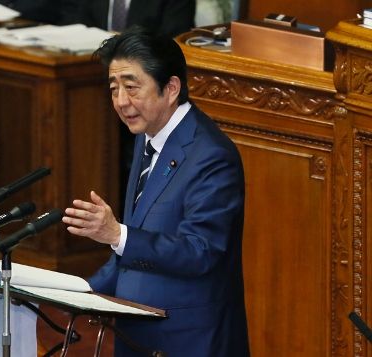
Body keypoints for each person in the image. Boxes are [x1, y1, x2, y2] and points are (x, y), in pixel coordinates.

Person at [62, 26, 250, 356]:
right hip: (138, 332)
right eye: (114, 88)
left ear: (171, 87)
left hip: (188, 339)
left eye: (132, 88)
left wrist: (116, 234)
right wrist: (84, 293)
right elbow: (142, 239)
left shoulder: (212, 156)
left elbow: (200, 251)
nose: (121, 102)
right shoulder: (147, 136)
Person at [61, 0, 196, 38]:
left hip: (150, 73)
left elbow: (175, 38)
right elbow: (78, 24)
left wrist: (123, 41)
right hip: (93, 69)